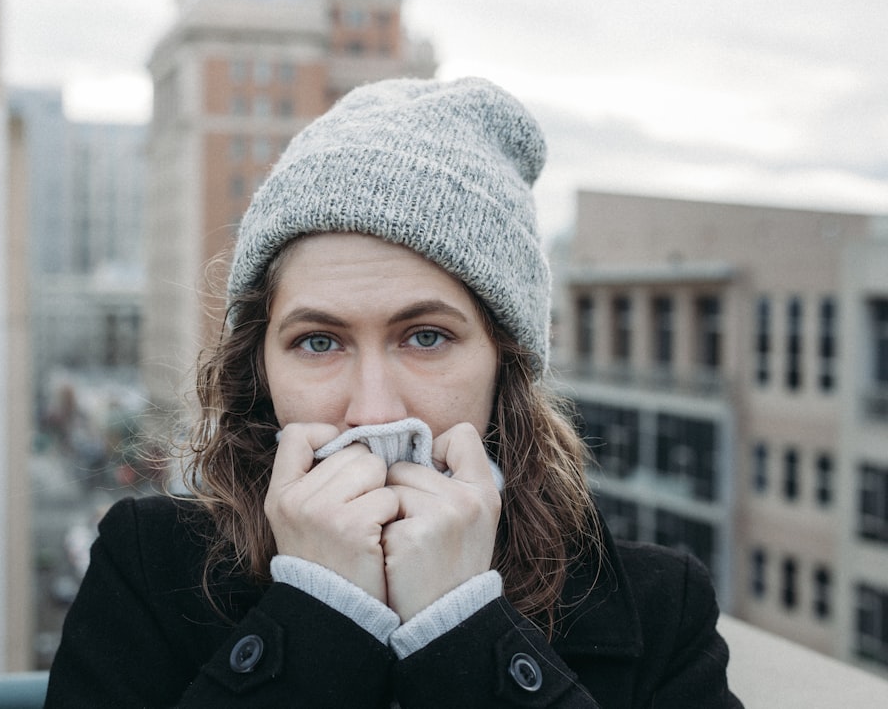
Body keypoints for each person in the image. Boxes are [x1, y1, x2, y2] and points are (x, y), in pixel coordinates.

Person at [45, 77, 742, 708]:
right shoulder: (148, 567)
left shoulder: (659, 609)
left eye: (426, 338)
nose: (373, 410)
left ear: (507, 362)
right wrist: (318, 616)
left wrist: (465, 628)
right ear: (258, 368)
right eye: (319, 342)